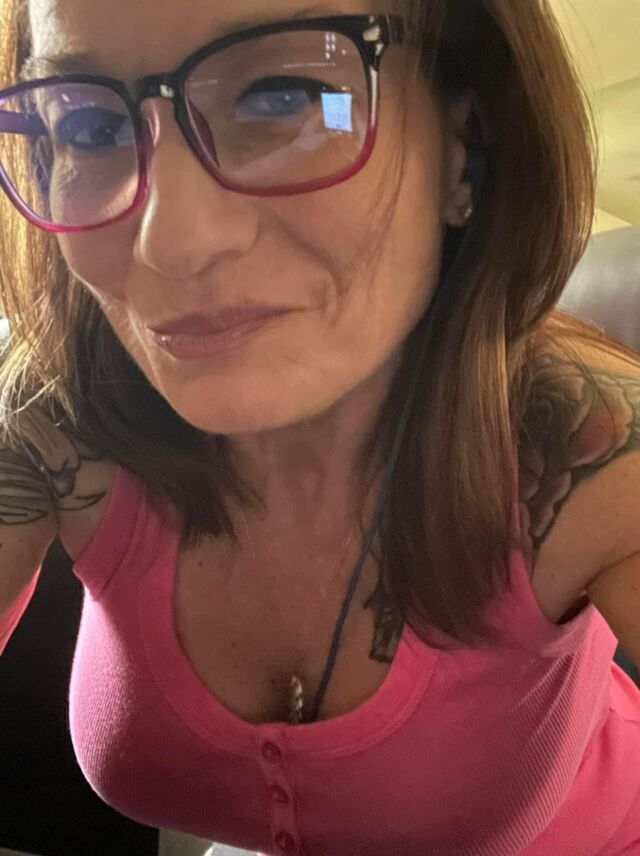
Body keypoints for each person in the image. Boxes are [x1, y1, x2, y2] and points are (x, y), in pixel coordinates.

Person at [0, 0, 639, 853]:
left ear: (467, 144)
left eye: (281, 95)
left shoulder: (591, 446)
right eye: (89, 126)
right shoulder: (53, 421)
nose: (169, 242)